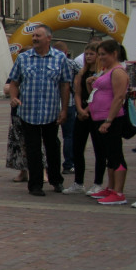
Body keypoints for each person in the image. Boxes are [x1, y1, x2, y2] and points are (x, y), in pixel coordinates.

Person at [6, 24, 73, 197]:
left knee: (53, 147)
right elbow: (14, 81)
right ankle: (35, 185)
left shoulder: (60, 58)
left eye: (38, 36)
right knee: (33, 149)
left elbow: (65, 85)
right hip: (28, 112)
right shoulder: (23, 58)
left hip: (51, 112)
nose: (34, 39)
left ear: (48, 38)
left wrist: (64, 109)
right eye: (33, 36)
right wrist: (14, 97)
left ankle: (56, 180)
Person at [87, 39, 130, 205]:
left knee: (115, 154)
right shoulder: (107, 70)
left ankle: (119, 191)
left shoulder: (118, 72)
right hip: (99, 117)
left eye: (103, 54)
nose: (101, 58)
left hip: (111, 118)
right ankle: (111, 187)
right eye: (100, 54)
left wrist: (109, 120)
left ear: (114, 54)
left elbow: (119, 97)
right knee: (108, 154)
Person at [64, 40, 104, 194]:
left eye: (91, 54)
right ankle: (78, 182)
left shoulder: (101, 74)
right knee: (77, 147)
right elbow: (78, 92)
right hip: (81, 114)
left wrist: (87, 109)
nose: (88, 57)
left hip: (96, 114)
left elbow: (99, 95)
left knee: (99, 149)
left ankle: (97, 182)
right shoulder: (82, 73)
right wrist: (80, 109)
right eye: (86, 54)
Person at [54, 41, 80, 174]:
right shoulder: (71, 63)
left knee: (51, 137)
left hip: (52, 104)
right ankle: (68, 164)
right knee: (69, 136)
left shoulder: (49, 62)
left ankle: (51, 166)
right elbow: (79, 78)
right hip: (68, 103)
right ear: (66, 52)